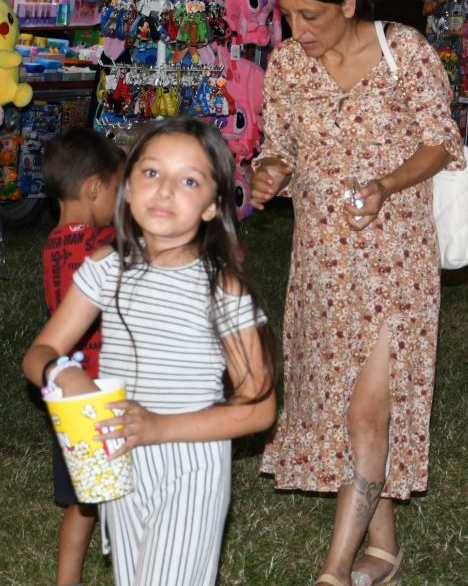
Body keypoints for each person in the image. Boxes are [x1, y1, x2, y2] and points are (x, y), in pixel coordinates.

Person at [250, 0, 461, 586]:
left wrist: (388, 183)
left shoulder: (405, 53)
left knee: (369, 407)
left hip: (394, 256)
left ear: (348, 4)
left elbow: (441, 142)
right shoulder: (287, 67)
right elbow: (278, 147)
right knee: (343, 399)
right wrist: (269, 173)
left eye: (311, 16)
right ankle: (384, 551)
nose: (298, 30)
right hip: (321, 258)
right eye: (288, 16)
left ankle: (335, 570)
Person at [22, 118, 278, 586]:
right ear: (127, 187)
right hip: (118, 461)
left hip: (190, 468)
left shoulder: (222, 288)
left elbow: (258, 408)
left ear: (211, 206)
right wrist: (64, 373)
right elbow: (39, 352)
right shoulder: (105, 268)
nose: (164, 191)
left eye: (188, 181)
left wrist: (159, 427)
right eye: (152, 173)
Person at [40, 127, 123, 586]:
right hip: (101, 391)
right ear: (95, 187)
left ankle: (66, 579)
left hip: (67, 393)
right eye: (117, 190)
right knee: (114, 497)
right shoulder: (99, 247)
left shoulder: (55, 244)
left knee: (84, 501)